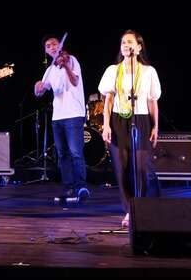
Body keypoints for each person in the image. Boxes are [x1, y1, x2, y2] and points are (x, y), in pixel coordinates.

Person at [99, 30, 161, 228]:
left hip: (141, 120)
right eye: (123, 42)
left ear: (139, 47)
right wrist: (106, 125)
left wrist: (155, 126)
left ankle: (141, 207)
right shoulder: (113, 70)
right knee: (122, 168)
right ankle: (129, 210)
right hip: (118, 120)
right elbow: (108, 100)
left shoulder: (148, 71)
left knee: (141, 168)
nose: (126, 45)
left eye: (130, 42)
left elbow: (152, 101)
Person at [34, 35, 90, 202]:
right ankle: (69, 188)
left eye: (54, 44)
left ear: (60, 45)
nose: (52, 47)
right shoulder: (50, 70)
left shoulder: (71, 60)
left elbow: (75, 81)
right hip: (57, 116)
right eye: (48, 46)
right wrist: (38, 87)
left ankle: (81, 187)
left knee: (75, 152)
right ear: (46, 51)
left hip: (74, 113)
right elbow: (40, 93)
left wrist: (65, 66)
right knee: (63, 154)